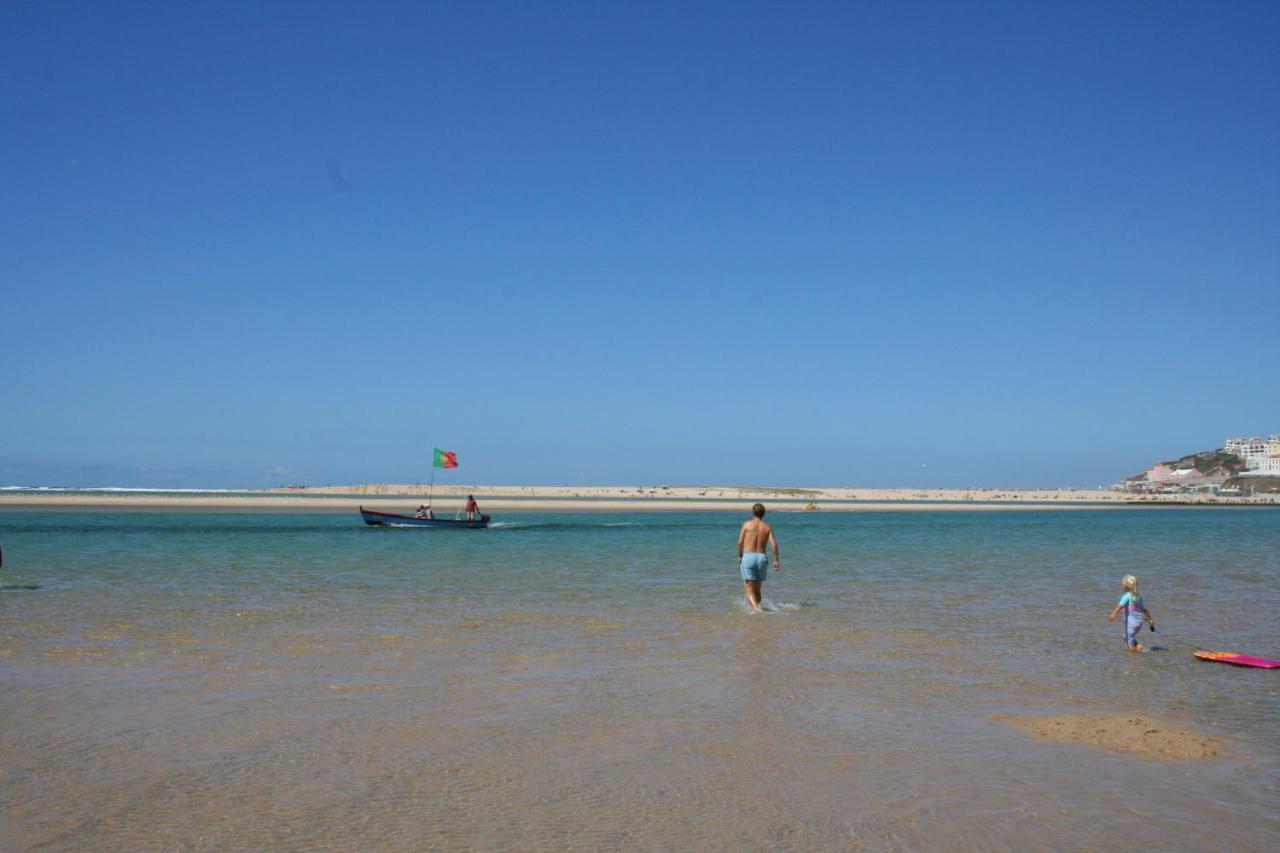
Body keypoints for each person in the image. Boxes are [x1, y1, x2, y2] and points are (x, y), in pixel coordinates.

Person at [737, 503, 780, 612]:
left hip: (748, 557)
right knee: (757, 590)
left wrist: (740, 555)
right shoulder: (767, 526)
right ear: (764, 513)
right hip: (761, 557)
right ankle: (758, 610)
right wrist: (776, 560)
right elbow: (774, 544)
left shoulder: (747, 524)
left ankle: (756, 610)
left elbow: (740, 542)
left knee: (748, 590)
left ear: (753, 512)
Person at [1108, 574, 1155, 652]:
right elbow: (1145, 610)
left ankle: (1134, 652)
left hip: (1131, 624)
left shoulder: (1126, 596)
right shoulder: (1139, 597)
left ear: (1126, 587)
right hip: (1139, 624)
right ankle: (1138, 647)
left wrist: (1113, 614)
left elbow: (1120, 606)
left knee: (1127, 638)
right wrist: (1150, 620)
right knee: (1128, 637)